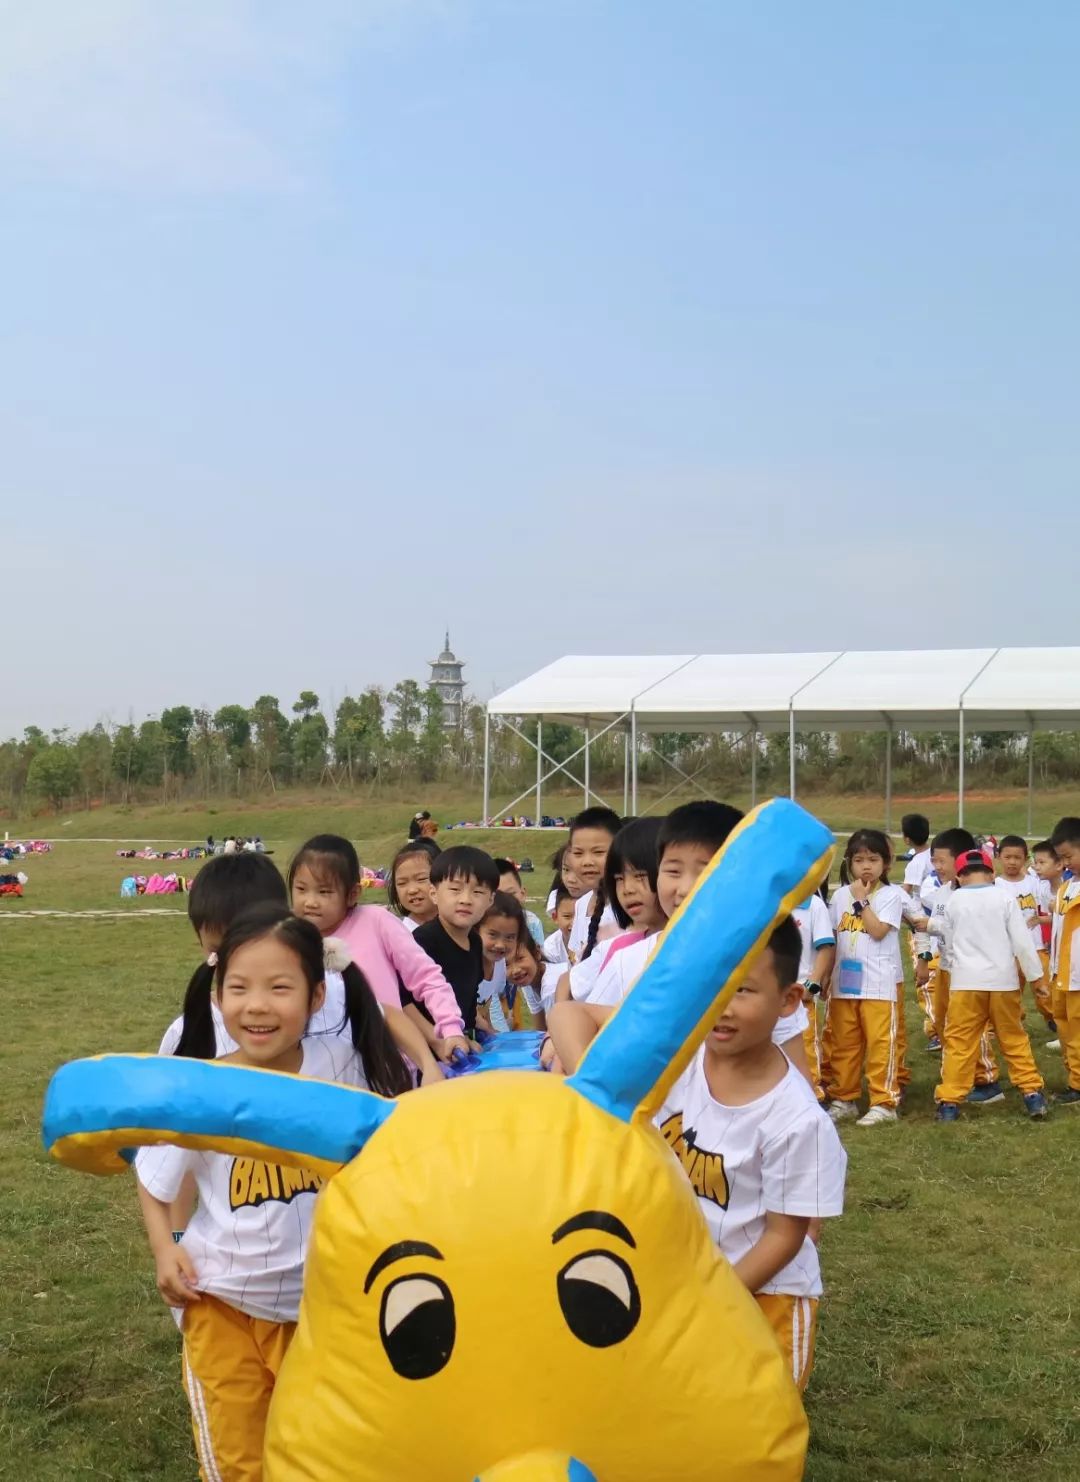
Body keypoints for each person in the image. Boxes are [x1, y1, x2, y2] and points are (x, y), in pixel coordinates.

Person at [134, 907, 415, 1482]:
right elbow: (154, 1176)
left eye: (279, 988)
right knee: (242, 1459)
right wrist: (166, 1249)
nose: (257, 1005)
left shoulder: (336, 1069)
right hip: (221, 1302)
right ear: (218, 995)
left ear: (316, 998)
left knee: (324, 1448)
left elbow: (379, 1151)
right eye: (238, 988)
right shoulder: (204, 1088)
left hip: (322, 1307)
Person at [655, 916, 846, 1393]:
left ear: (788, 1001)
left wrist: (718, 1298)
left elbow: (786, 1236)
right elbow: (570, 1017)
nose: (721, 1005)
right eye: (713, 986)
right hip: (689, 1281)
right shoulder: (680, 1065)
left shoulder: (796, 1119)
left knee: (761, 1422)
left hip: (769, 1295)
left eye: (742, 990)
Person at [289, 835, 469, 1061]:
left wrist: (451, 1029)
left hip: (389, 1069)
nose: (310, 901)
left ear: (353, 893)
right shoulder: (287, 940)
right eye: (301, 889)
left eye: (324, 892)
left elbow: (427, 978)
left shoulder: (376, 922)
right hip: (324, 1076)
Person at [933, 850, 1049, 1121]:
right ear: (992, 874)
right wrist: (1036, 978)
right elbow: (1022, 942)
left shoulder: (954, 901)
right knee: (1013, 1038)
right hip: (1003, 983)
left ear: (959, 877)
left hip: (965, 984)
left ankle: (949, 1101)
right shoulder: (1005, 898)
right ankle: (1032, 1093)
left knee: (960, 1042)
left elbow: (947, 944)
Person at [545, 818, 669, 1070]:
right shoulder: (622, 952)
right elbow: (574, 1004)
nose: (628, 889)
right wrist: (553, 1038)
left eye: (640, 876)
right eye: (619, 879)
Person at [823, 829, 906, 1127]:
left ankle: (884, 1101)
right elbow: (833, 937)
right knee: (844, 1043)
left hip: (879, 983)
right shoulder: (840, 896)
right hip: (845, 982)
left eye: (873, 859)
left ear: (886, 863)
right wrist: (825, 977)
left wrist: (862, 902)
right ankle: (844, 1098)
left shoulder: (890, 896)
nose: (866, 866)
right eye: (859, 860)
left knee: (881, 1043)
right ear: (849, 864)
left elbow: (878, 931)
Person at [412, 845, 500, 1038]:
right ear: (433, 893)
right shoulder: (423, 942)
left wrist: (488, 1031)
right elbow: (405, 1005)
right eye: (455, 889)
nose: (466, 900)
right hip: (426, 1050)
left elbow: (468, 1003)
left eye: (477, 892)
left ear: (491, 900)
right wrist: (440, 1043)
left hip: (462, 1043)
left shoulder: (475, 942)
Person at [994, 835, 1056, 1035]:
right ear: (998, 857)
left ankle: (1055, 1020)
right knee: (1010, 991)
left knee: (1044, 989)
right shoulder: (995, 886)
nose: (1012, 862)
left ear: (1025, 859)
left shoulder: (1035, 883)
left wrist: (1042, 921)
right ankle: (1012, 1023)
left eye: (1017, 857)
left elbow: (1053, 907)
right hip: (1008, 951)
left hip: (1035, 947)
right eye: (1007, 857)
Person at [792, 889, 835, 1102]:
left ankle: (812, 1096)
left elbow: (825, 947)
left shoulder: (813, 905)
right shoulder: (764, 900)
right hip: (768, 992)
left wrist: (812, 984)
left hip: (799, 993)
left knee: (805, 1045)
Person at [1048, 817, 1080, 1104]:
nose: (1065, 863)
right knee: (1066, 1029)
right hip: (1061, 974)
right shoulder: (1065, 889)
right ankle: (1074, 1080)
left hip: (1079, 977)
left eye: (1069, 856)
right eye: (1061, 858)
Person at [386, 842, 440, 932]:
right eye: (402, 883)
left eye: (421, 879)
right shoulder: (399, 935)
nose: (412, 890)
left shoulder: (462, 927)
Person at [494, 858, 546, 946]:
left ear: (523, 894)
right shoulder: (480, 923)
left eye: (510, 894)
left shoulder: (532, 923)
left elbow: (538, 956)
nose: (504, 901)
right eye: (497, 895)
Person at [542, 887, 577, 968]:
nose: (575, 923)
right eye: (567, 916)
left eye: (580, 915)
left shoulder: (599, 942)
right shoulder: (550, 948)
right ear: (555, 917)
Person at [900, 813, 932, 896]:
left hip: (923, 905)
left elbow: (905, 893)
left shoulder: (915, 864)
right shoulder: (935, 852)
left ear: (907, 840)